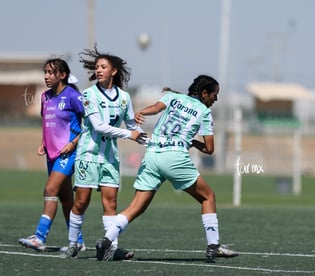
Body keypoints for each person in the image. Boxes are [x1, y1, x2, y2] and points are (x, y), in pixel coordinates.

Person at [95, 75, 238, 263]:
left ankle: (106, 241)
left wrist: (142, 113)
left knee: (136, 207)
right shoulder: (204, 111)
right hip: (174, 157)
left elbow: (155, 109)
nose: (215, 99)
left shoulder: (172, 97)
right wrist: (194, 143)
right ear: (204, 94)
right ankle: (213, 246)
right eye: (214, 94)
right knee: (208, 197)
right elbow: (210, 149)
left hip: (152, 155)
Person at [65, 45, 147, 259]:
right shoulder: (88, 94)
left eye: (103, 67)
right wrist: (129, 135)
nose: (99, 70)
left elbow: (132, 125)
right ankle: (73, 243)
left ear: (114, 71)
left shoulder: (124, 97)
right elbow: (98, 125)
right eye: (97, 67)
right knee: (81, 202)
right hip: (88, 156)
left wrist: (152, 141)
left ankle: (111, 247)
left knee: (111, 203)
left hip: (110, 158)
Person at [18, 58, 86, 251]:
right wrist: (43, 142)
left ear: (62, 75)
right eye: (45, 72)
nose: (46, 76)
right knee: (65, 200)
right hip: (52, 155)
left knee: (49, 190)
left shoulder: (73, 96)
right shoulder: (44, 97)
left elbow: (90, 125)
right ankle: (78, 242)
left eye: (50, 72)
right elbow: (49, 123)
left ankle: (39, 237)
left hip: (68, 154)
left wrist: (73, 143)